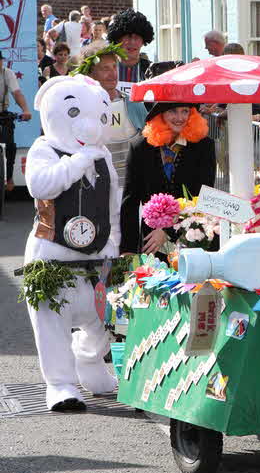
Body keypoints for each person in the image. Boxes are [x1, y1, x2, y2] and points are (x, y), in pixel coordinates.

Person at [23, 74, 120, 411]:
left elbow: (113, 203)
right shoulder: (43, 148)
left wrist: (114, 244)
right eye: (76, 113)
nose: (91, 125)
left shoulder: (104, 155)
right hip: (53, 254)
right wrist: (77, 162)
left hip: (97, 254)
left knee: (101, 319)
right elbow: (40, 186)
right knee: (52, 321)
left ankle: (91, 366)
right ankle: (61, 383)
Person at [120, 103, 215, 255]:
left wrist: (168, 231)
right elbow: (130, 202)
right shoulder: (139, 148)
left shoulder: (204, 146)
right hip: (151, 244)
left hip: (192, 240)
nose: (180, 118)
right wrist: (128, 250)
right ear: (160, 115)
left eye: (185, 111)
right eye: (173, 111)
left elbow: (204, 198)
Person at [74, 41, 147, 184]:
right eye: (105, 68)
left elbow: (150, 144)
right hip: (96, 188)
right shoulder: (80, 109)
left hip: (129, 186)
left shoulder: (133, 104)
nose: (113, 73)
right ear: (90, 73)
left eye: (114, 67)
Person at [0, 50, 33, 193]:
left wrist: (26, 110)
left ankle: (9, 177)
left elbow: (17, 93)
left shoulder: (7, 73)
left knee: (10, 145)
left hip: (2, 112)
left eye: (0, 60)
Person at [106, 9, 154, 95]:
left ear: (143, 41)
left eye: (137, 37)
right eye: (128, 36)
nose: (132, 42)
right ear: (117, 39)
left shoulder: (152, 71)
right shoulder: (105, 70)